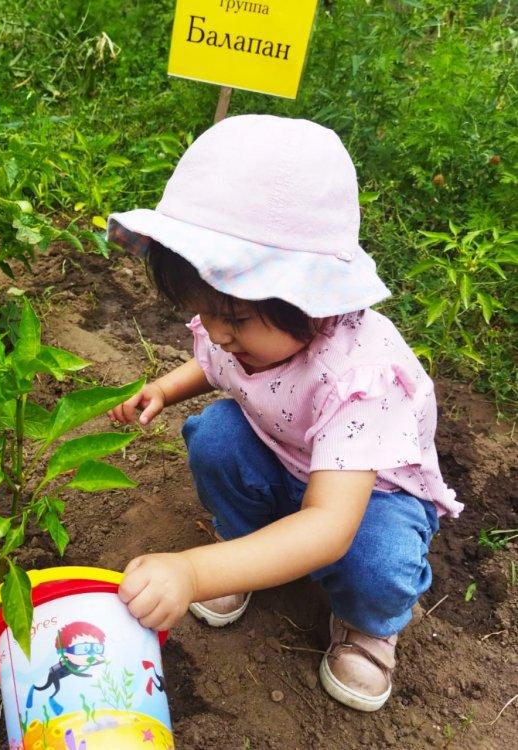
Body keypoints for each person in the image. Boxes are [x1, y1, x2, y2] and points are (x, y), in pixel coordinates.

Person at [105, 115, 461, 713]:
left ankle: (369, 626)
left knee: (376, 560)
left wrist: (192, 573)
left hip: (368, 499)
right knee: (217, 436)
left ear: (312, 300)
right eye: (203, 311)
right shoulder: (244, 331)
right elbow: (217, 366)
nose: (217, 333)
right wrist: (166, 387)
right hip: (285, 457)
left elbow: (329, 525)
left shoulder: (359, 377)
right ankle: (245, 550)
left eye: (234, 319)